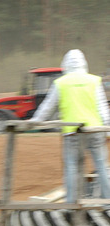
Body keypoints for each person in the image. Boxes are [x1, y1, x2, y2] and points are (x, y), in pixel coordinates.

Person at [29, 49, 110, 203]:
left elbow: (47, 107)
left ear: (65, 64)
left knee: (72, 167)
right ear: (84, 63)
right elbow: (102, 109)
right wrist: (107, 131)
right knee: (102, 167)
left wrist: (33, 122)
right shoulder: (94, 80)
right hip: (95, 131)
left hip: (72, 133)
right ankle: (108, 203)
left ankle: (72, 204)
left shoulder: (61, 83)